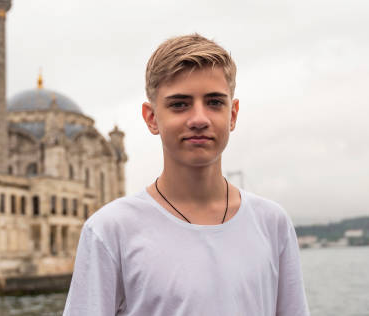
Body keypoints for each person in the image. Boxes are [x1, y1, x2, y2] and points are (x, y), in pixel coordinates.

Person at [63, 34, 309, 315]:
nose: (199, 119)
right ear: (151, 117)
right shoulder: (109, 231)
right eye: (180, 104)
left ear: (233, 114)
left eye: (215, 102)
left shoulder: (273, 224)